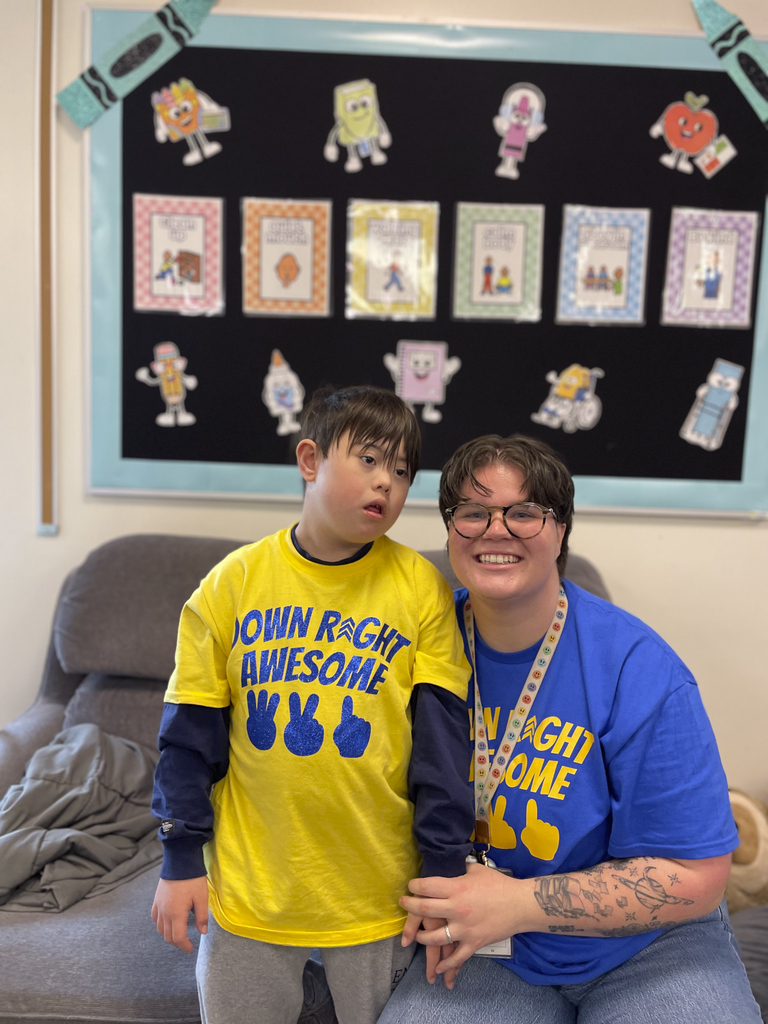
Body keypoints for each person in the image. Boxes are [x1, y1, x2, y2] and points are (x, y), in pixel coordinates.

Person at [379, 433, 761, 1024]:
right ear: (450, 529)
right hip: (482, 944)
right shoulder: (414, 644)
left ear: (561, 531)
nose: (495, 531)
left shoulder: (639, 668)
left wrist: (518, 902)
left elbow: (697, 878)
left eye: (525, 513)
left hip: (647, 946)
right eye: (473, 513)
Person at [150, 385, 474, 1024]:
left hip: (377, 892)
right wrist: (179, 855)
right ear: (310, 459)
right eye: (371, 460)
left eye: (403, 471)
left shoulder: (421, 590)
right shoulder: (232, 583)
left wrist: (444, 873)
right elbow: (188, 738)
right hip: (252, 889)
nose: (388, 484)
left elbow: (442, 747)